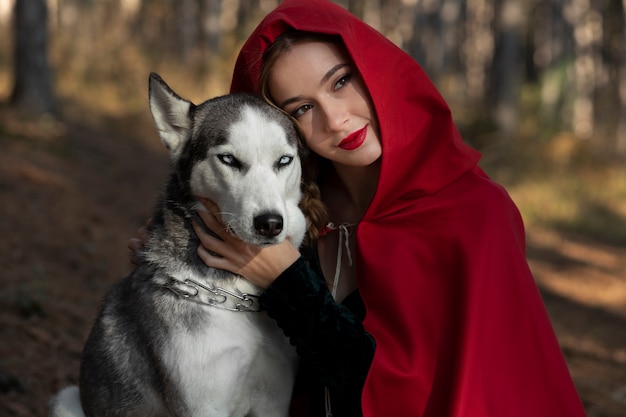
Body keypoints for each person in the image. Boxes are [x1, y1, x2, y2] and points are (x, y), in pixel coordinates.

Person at [130, 1, 587, 416]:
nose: (335, 119)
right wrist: (178, 260)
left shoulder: (475, 215)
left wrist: (286, 281)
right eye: (303, 108)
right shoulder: (295, 216)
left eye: (342, 81)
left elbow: (411, 393)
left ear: (376, 69)